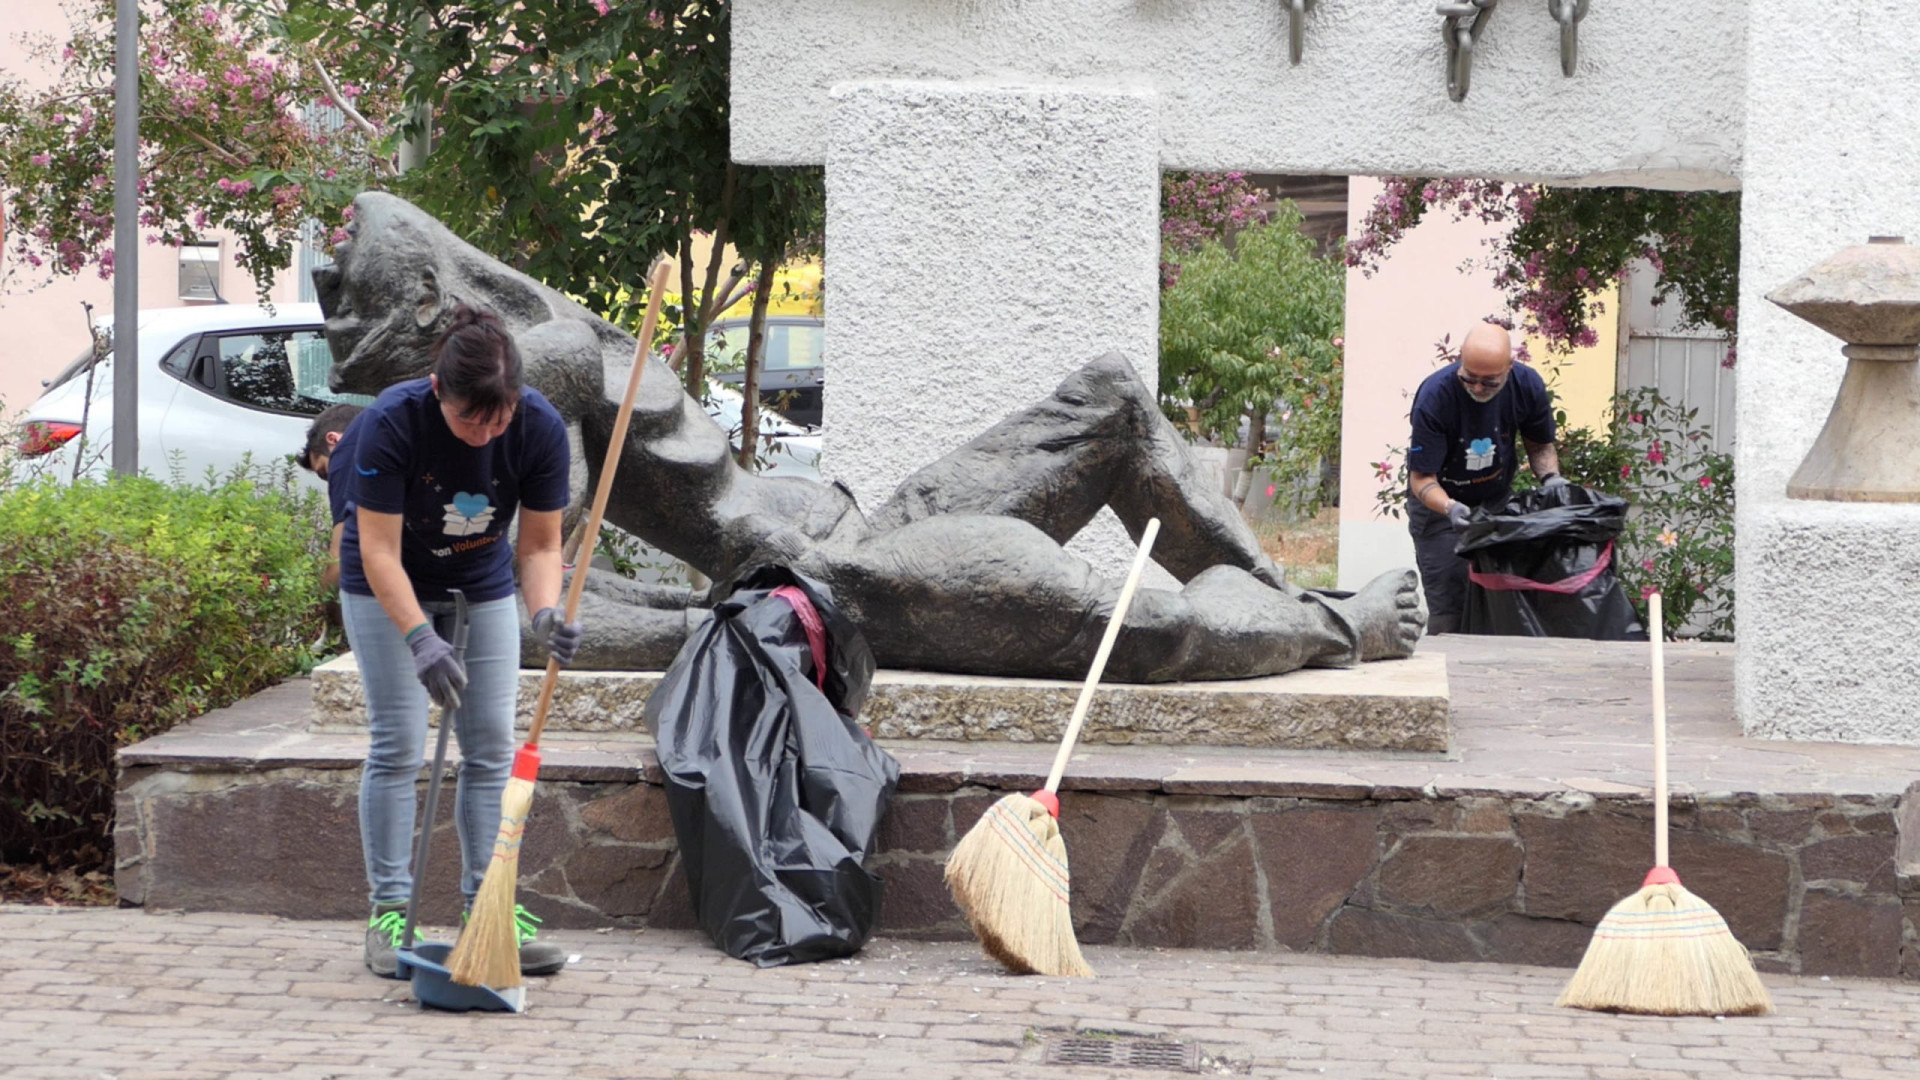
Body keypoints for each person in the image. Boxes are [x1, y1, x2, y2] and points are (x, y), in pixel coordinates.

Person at [336, 304, 583, 979]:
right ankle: (388, 914)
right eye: (471, 416)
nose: (485, 431)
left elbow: (537, 546)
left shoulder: (538, 429)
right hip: (385, 582)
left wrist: (543, 616)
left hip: (482, 582)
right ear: (438, 389)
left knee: (491, 747)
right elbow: (379, 551)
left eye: (497, 417)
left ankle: (488, 912)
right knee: (397, 743)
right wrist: (419, 638)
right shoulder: (392, 420)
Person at [1404, 321, 1565, 634]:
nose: (1477, 388)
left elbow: (1540, 445)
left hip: (1494, 501)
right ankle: (1450, 672)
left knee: (1499, 600)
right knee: (1451, 604)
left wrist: (1552, 480)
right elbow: (1422, 479)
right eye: (1470, 378)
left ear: (1510, 367)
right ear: (1460, 361)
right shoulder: (1436, 396)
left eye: (1489, 382)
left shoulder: (1526, 386)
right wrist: (1450, 508)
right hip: (1439, 509)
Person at [297, 403, 365, 591]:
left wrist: (327, 610)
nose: (331, 482)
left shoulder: (347, 453)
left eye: (325, 473)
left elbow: (341, 556)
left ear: (333, 439)